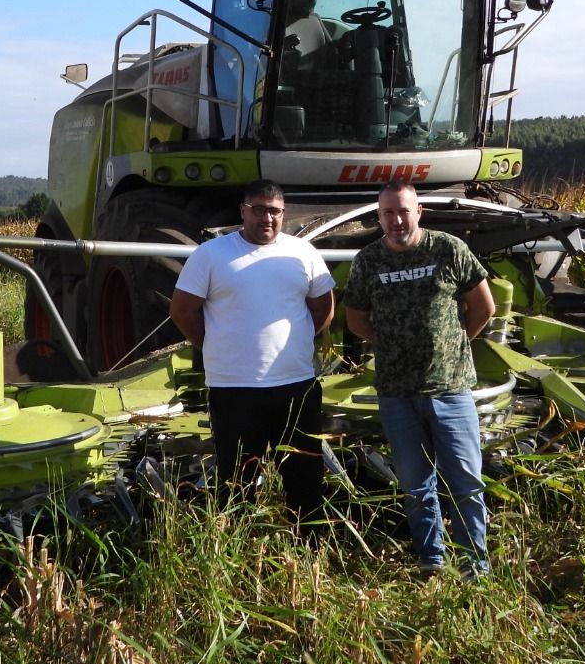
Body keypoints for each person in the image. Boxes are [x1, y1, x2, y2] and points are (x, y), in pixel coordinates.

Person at [343, 180, 496, 579]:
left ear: (419, 212)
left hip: (450, 389)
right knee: (415, 485)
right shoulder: (368, 261)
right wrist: (390, 344)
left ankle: (474, 568)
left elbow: (484, 306)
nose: (396, 220)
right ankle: (432, 562)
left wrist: (455, 343)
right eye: (388, 213)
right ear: (379, 218)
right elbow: (355, 319)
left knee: (466, 482)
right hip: (397, 394)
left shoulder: (448, 249)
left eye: (403, 211)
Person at [168, 180, 335, 525]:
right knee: (237, 482)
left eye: (274, 211)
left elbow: (324, 309)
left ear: (284, 213)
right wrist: (215, 345)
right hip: (234, 389)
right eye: (259, 210)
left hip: (296, 386)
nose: (267, 218)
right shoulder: (211, 255)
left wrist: (295, 341)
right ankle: (239, 546)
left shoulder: (303, 252)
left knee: (305, 477)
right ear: (243, 211)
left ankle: (307, 542)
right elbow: (182, 311)